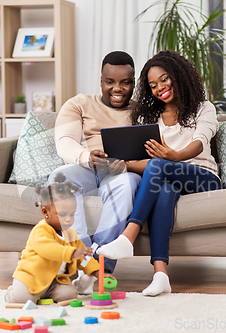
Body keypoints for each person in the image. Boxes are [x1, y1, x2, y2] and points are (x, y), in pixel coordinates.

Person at [97, 50, 222, 296]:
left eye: (164, 79)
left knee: (157, 165)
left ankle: (128, 236)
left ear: (179, 76)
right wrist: (125, 164)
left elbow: (199, 141)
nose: (160, 88)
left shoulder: (203, 108)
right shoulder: (148, 116)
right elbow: (150, 165)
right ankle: (161, 274)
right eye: (153, 85)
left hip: (202, 177)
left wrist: (173, 156)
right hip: (168, 177)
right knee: (164, 189)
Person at [48, 51, 141, 273]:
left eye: (125, 83)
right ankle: (80, 258)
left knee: (127, 185)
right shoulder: (79, 104)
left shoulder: (143, 110)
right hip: (87, 168)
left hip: (122, 172)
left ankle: (100, 267)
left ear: (134, 83)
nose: (117, 88)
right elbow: (65, 141)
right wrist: (86, 158)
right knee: (58, 178)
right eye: (110, 82)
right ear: (101, 81)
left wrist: (128, 164)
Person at [5, 173, 113, 303]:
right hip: (33, 278)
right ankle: (13, 292)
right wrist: (72, 252)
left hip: (55, 281)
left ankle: (45, 294)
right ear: (45, 212)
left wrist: (97, 272)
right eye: (62, 214)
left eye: (72, 214)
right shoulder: (41, 231)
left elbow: (84, 259)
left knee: (70, 295)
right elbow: (49, 249)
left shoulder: (71, 235)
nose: (68, 219)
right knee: (21, 298)